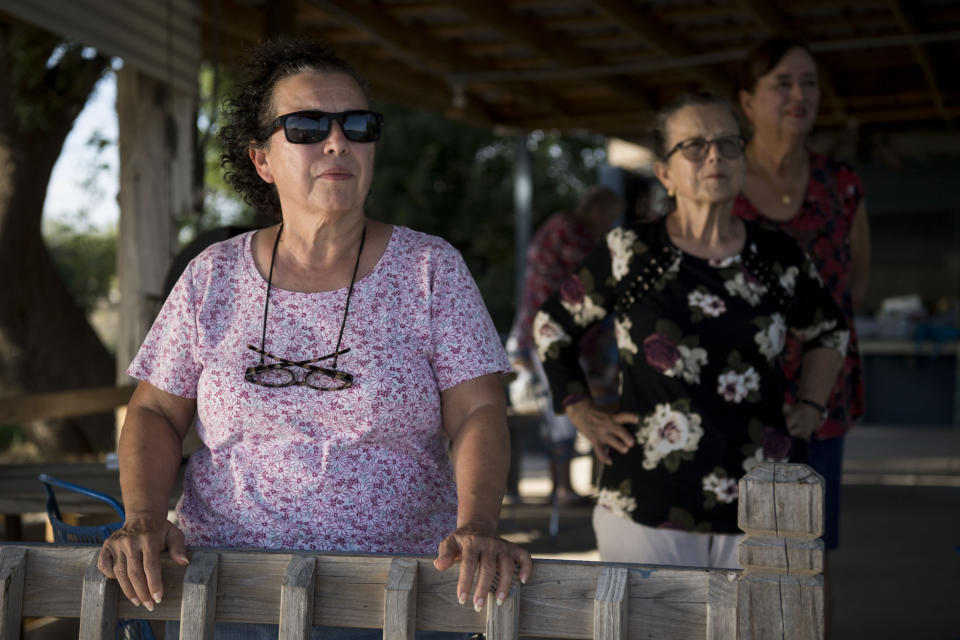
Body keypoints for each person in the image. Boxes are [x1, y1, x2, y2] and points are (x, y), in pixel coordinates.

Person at [96, 36, 531, 636]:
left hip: (398, 595)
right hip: (225, 592)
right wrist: (143, 516)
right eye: (305, 126)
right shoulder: (212, 275)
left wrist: (478, 524)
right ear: (262, 159)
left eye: (357, 125)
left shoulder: (430, 269)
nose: (337, 141)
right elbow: (153, 411)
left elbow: (479, 412)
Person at [533, 92, 848, 568]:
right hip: (646, 500)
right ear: (664, 172)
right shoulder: (630, 252)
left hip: (763, 499)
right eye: (695, 146)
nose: (716, 155)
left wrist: (811, 405)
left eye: (728, 143)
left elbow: (829, 331)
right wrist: (580, 410)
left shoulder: (778, 257)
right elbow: (552, 327)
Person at [734, 37, 869, 558]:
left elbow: (854, 280)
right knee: (735, 550)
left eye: (808, 83)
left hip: (820, 396)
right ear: (748, 102)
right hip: (733, 392)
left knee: (811, 551)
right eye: (782, 83)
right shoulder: (722, 180)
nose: (799, 94)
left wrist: (819, 357)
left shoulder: (841, 184)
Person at [507, 186, 622, 504]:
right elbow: (590, 284)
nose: (610, 224)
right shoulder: (571, 231)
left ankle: (564, 488)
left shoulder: (569, 228)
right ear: (597, 209)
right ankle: (563, 489)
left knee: (563, 404)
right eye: (609, 216)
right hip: (552, 333)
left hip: (553, 332)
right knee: (563, 406)